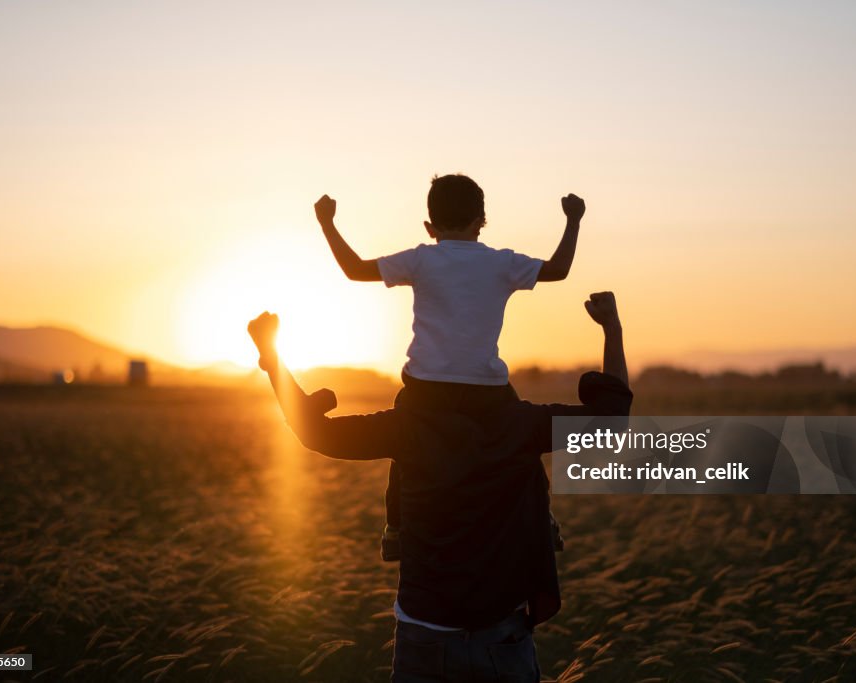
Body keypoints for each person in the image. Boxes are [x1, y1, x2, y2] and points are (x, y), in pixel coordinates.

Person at [248, 292, 631, 682]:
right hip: (502, 635)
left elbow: (315, 431)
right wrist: (612, 331)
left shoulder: (407, 424)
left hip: (423, 633)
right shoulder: (521, 424)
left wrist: (272, 358)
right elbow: (612, 420)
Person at [314, 174, 586, 559]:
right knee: (525, 444)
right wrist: (573, 220)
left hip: (427, 387)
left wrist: (327, 223)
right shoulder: (501, 262)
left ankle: (396, 527)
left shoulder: (421, 258)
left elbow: (356, 269)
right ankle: (543, 518)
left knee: (402, 444)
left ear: (429, 226)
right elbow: (558, 269)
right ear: (482, 221)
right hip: (487, 389)